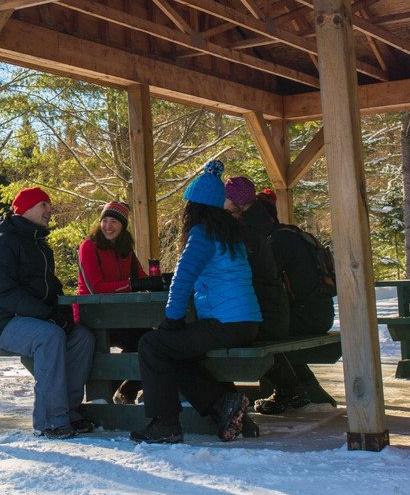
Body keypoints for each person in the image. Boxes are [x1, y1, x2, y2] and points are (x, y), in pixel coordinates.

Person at [130, 160, 262, 445]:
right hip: (245, 321)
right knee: (176, 352)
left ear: (194, 206)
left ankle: (165, 423)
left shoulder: (203, 233)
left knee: (152, 346)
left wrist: (173, 319)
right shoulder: (231, 233)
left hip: (226, 323)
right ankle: (222, 404)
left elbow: (183, 277)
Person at [0, 187, 96, 439]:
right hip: (4, 321)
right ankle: (50, 420)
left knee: (82, 338)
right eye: (44, 204)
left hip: (38, 318)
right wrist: (47, 316)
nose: (50, 211)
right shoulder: (2, 243)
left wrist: (63, 314)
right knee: (50, 336)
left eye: (50, 205)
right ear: (27, 208)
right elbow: (4, 293)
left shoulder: (40, 245)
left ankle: (68, 410)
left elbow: (51, 287)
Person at [255, 218, 339, 414]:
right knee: (270, 328)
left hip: (304, 316)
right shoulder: (297, 235)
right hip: (322, 314)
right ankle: (302, 385)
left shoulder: (278, 242)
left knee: (258, 332)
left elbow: (261, 278)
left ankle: (289, 389)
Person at [77, 201, 147, 404]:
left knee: (151, 341)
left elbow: (141, 280)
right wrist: (130, 285)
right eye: (104, 221)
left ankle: (124, 391)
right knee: (145, 342)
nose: (108, 226)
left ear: (122, 226)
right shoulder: (89, 247)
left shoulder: (127, 252)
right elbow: (95, 288)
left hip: (121, 316)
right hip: (93, 316)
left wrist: (156, 281)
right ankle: (111, 390)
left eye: (114, 221)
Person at [224, 176, 290, 341]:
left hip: (262, 318)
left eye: (225, 197)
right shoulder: (257, 225)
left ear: (235, 202)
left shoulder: (246, 234)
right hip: (273, 314)